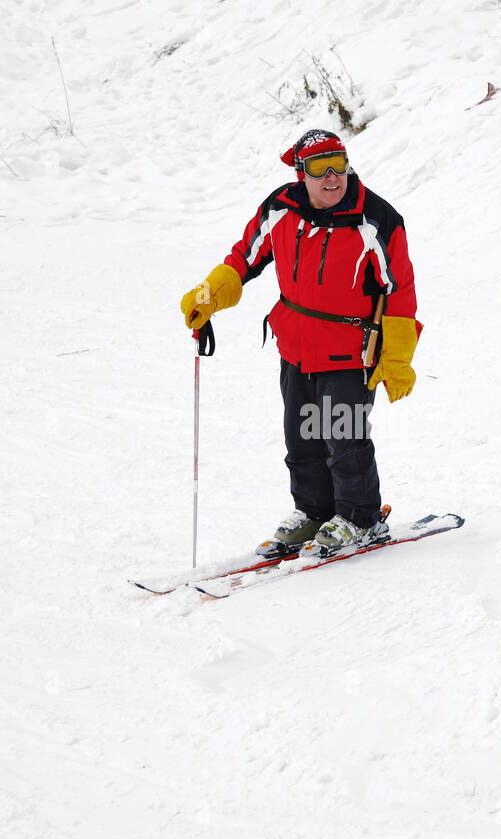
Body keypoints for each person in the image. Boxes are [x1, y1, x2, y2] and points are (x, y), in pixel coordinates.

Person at [180, 128, 421, 554]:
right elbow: (245, 257)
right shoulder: (281, 208)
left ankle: (360, 518)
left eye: (339, 165)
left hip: (350, 350)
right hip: (295, 344)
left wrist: (397, 358)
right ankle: (314, 512)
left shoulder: (376, 220)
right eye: (318, 167)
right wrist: (210, 295)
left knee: (343, 438)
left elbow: (399, 291)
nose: (332, 177)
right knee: (301, 438)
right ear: (300, 173)